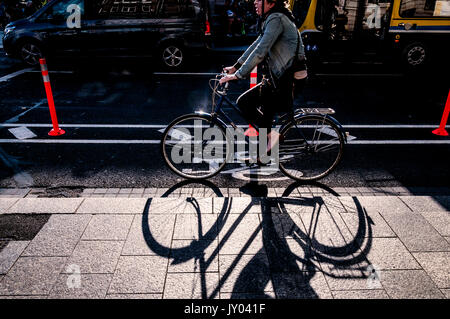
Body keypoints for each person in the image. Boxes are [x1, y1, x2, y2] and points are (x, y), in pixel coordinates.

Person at [219, 0, 307, 155]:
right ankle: (270, 141)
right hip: (278, 78)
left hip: (289, 79)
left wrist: (238, 75)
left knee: (261, 102)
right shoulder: (271, 18)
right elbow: (256, 45)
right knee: (246, 102)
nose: (255, 2)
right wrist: (235, 66)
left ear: (271, 3)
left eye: (259, 0)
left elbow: (261, 50)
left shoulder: (276, 19)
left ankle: (271, 140)